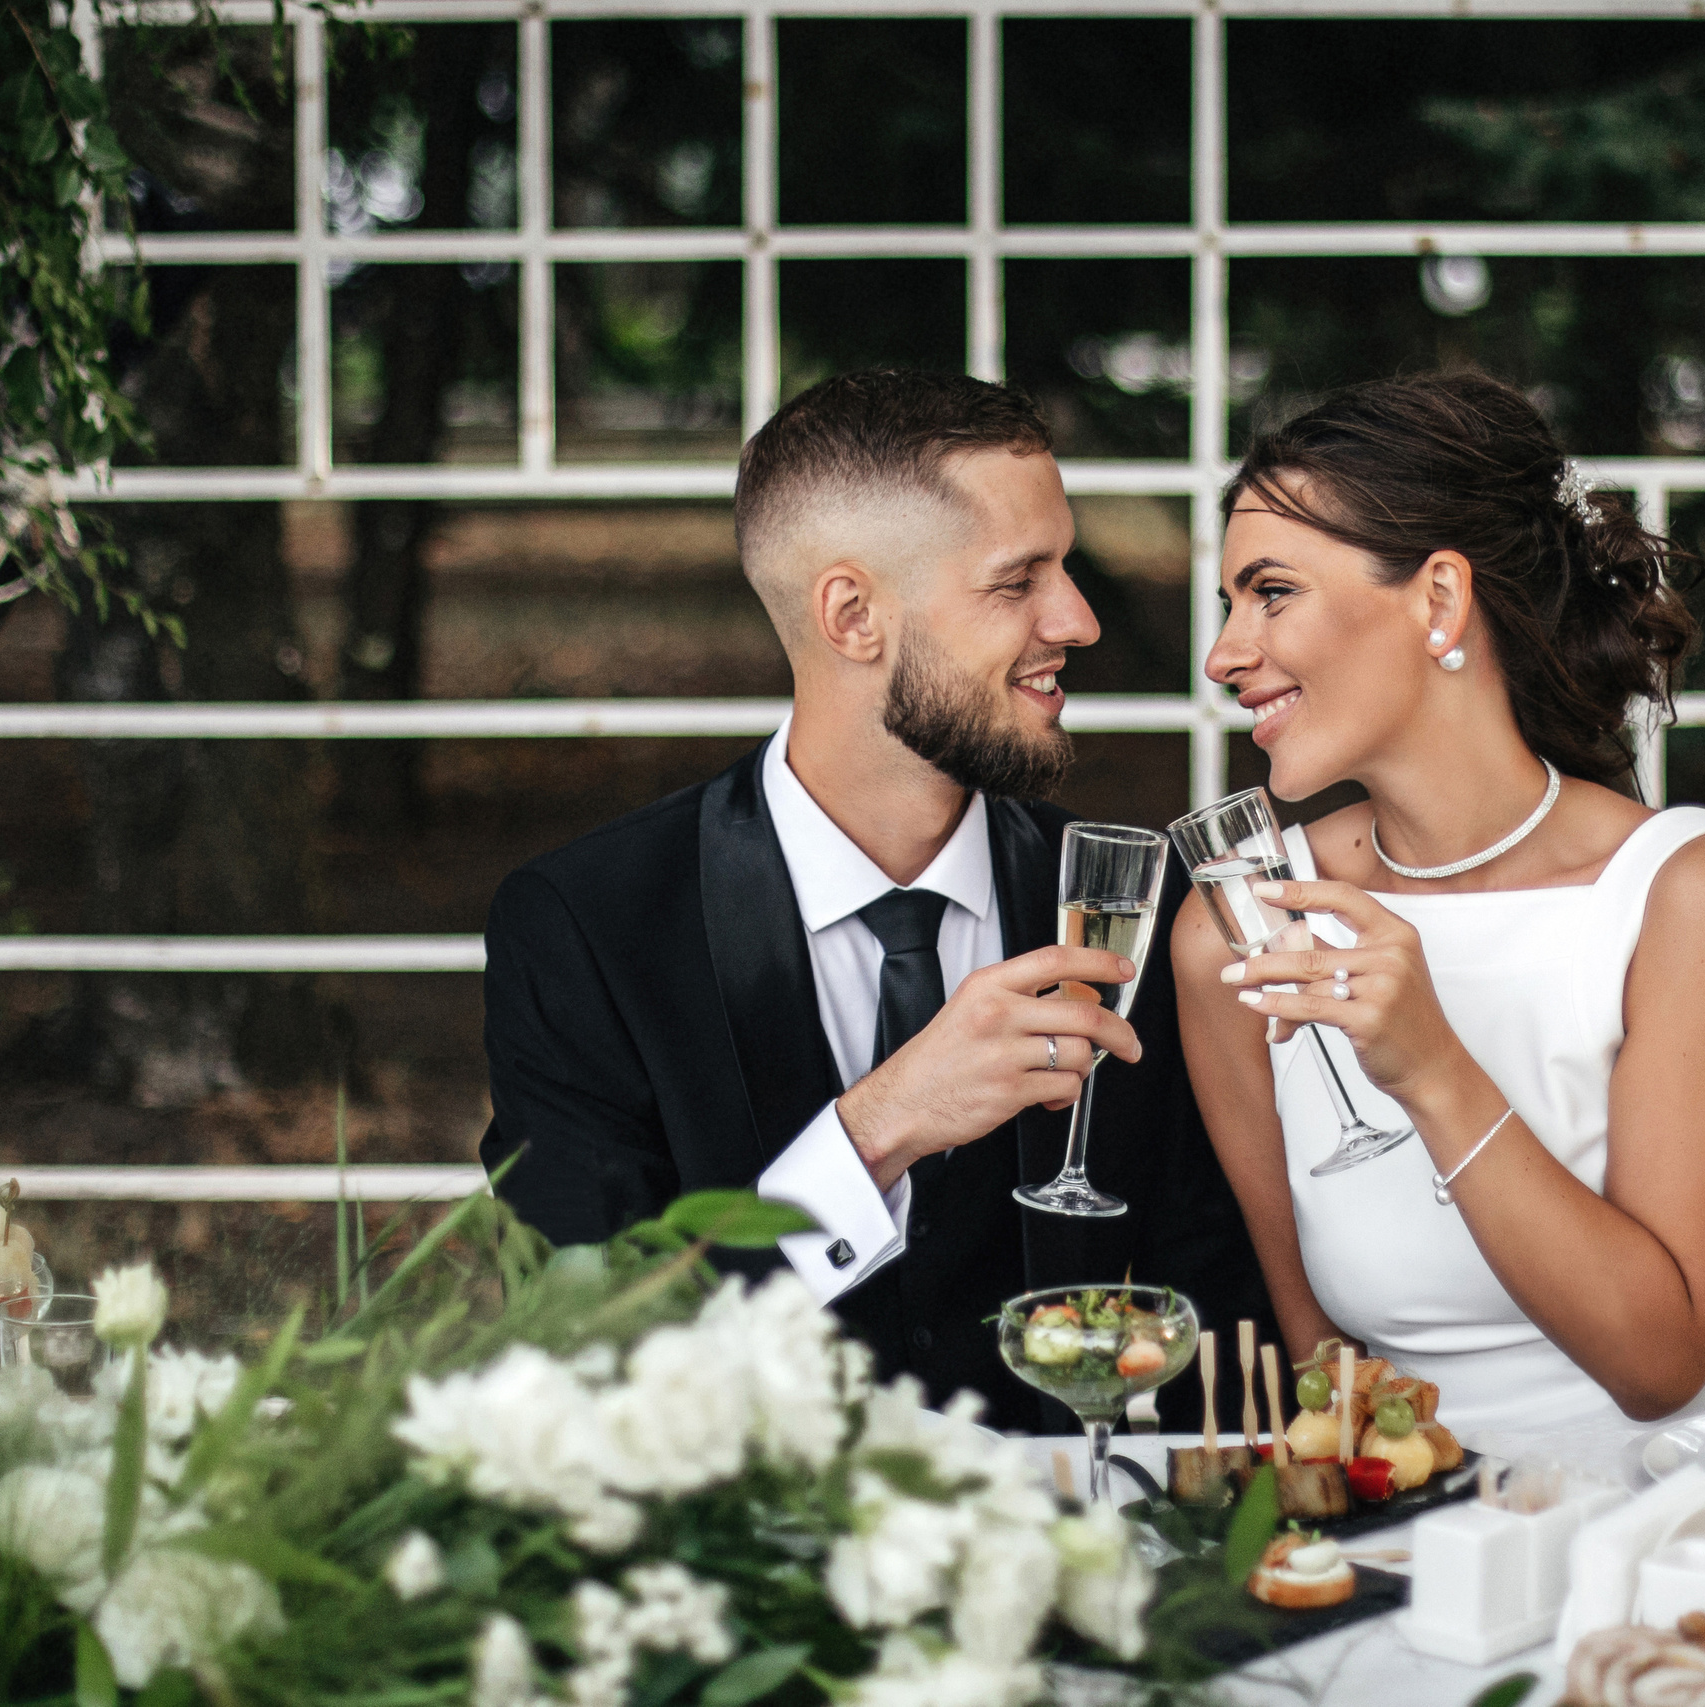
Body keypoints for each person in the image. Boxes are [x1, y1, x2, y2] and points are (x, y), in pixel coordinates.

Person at [483, 370, 1268, 1429]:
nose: (1076, 619)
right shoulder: (589, 930)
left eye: (1066, 567)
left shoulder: (1137, 906)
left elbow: (1214, 1303)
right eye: (1016, 580)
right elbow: (589, 1344)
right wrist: (876, 1131)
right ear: (853, 616)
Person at [1176, 371, 1705, 1435]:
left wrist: (1430, 1066)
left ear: (1439, 598)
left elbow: (1660, 1365)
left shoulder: (1691, 893)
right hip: (1438, 1526)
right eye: (1228, 605)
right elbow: (1325, 1375)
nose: (1223, 655)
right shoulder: (1238, 932)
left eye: (1272, 592)